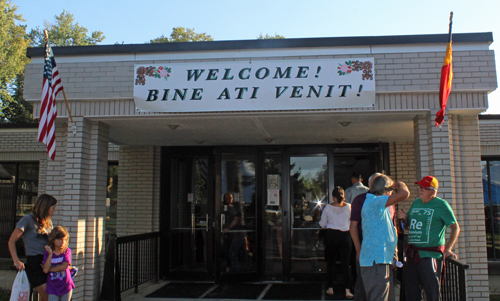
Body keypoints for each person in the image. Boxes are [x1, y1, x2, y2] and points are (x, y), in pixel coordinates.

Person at [398, 176, 460, 301]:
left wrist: (448, 249)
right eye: (419, 187)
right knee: (411, 292)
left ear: (433, 191)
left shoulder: (441, 205)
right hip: (412, 255)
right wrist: (403, 218)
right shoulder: (416, 203)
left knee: (431, 292)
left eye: (424, 188)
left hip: (429, 256)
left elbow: (455, 228)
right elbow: (408, 226)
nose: (420, 190)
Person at [359, 175, 410, 301]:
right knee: (379, 297)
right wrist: (399, 184)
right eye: (391, 190)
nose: (392, 194)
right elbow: (405, 194)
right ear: (386, 190)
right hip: (375, 261)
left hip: (381, 259)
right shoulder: (375, 201)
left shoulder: (377, 203)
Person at [8, 194, 58, 301]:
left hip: (46, 262)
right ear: (45, 207)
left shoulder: (49, 223)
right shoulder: (27, 219)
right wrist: (16, 261)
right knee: (48, 296)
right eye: (52, 208)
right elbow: (12, 241)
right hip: (34, 263)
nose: (54, 211)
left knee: (47, 297)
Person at [350, 172, 382, 301]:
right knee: (362, 284)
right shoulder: (360, 199)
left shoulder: (387, 199)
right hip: (365, 249)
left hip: (382, 251)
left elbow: (392, 226)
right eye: (376, 182)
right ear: (369, 184)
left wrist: (394, 251)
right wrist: (358, 250)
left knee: (381, 285)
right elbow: (353, 226)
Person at [320, 186, 353, 298]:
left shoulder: (328, 208)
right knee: (345, 264)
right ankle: (347, 290)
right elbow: (353, 221)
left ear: (333, 196)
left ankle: (330, 288)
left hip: (331, 236)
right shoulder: (349, 207)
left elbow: (322, 223)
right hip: (345, 236)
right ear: (343, 196)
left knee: (331, 263)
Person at [42, 226, 75, 301]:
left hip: (66, 286)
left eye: (65, 239)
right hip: (53, 287)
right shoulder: (47, 253)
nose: (63, 242)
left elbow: (64, 266)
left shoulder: (67, 251)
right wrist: (50, 254)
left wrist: (50, 269)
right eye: (60, 240)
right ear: (53, 239)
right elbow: (45, 270)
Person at [222, 192, 244, 272]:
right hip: (229, 234)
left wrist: (228, 227)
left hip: (237, 233)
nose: (229, 200)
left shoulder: (235, 207)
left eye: (230, 198)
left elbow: (236, 218)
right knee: (227, 251)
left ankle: (235, 270)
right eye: (227, 198)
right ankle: (229, 268)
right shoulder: (224, 208)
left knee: (233, 252)